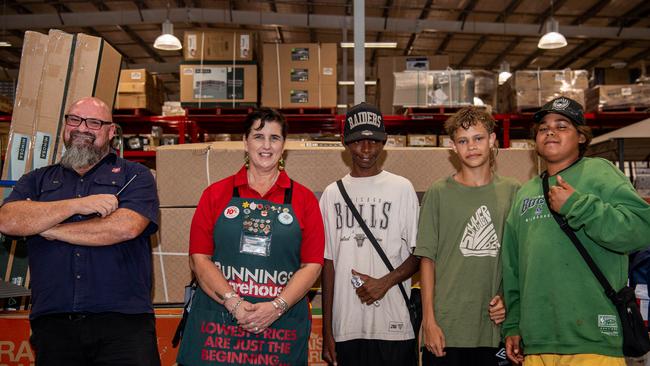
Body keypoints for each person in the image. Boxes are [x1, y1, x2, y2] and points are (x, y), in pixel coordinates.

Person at [0, 97, 160, 366]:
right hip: (54, 326)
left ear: (111, 132)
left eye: (94, 122)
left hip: (124, 326)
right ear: (65, 126)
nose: (81, 128)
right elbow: (8, 220)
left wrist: (48, 228)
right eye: (74, 119)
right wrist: (79, 205)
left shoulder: (135, 176)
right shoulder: (36, 180)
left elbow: (125, 227)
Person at [501, 97, 650, 366]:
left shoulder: (599, 173)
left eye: (562, 126)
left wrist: (577, 206)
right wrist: (513, 325)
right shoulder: (525, 192)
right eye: (544, 127)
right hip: (537, 343)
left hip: (593, 340)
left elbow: (641, 229)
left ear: (581, 137)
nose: (550, 132)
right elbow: (513, 268)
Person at [176, 108, 324, 365]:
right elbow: (199, 259)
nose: (266, 145)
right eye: (258, 136)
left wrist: (276, 306)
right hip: (218, 328)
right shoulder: (215, 194)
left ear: (283, 145)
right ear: (245, 142)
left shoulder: (304, 200)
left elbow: (312, 266)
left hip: (281, 330)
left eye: (274, 138)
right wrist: (234, 303)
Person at [415, 106, 519, 366]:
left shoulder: (514, 191)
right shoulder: (438, 192)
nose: (471, 146)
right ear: (452, 146)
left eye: (478, 138)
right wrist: (429, 321)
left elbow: (521, 259)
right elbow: (427, 259)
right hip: (447, 327)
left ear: (492, 140)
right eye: (463, 140)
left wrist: (509, 300)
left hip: (495, 328)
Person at [319, 102, 420, 366]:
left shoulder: (402, 188)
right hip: (346, 326)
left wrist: (384, 282)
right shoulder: (332, 194)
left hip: (394, 323)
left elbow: (419, 253)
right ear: (345, 142)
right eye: (358, 141)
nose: (366, 149)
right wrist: (327, 329)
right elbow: (327, 263)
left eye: (373, 141)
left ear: (384, 141)